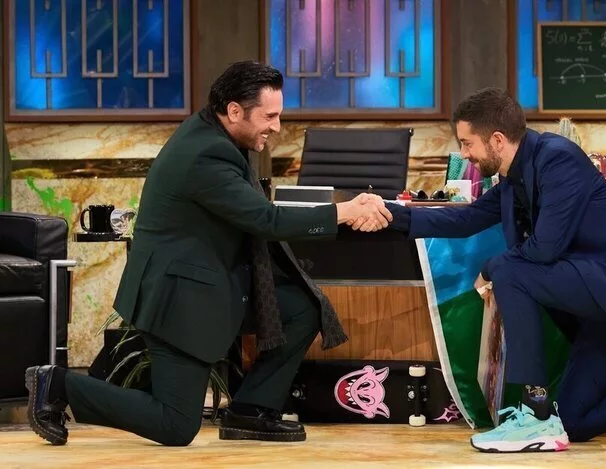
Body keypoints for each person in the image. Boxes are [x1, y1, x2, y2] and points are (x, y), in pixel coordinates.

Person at [25, 61, 392, 447]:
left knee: (301, 307)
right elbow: (264, 219)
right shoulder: (206, 154)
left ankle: (250, 411)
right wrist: (344, 211)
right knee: (176, 425)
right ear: (234, 111)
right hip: (179, 298)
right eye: (269, 116)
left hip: (213, 282)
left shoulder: (215, 136)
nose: (277, 127)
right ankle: (57, 385)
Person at [381, 87, 606, 453]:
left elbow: (545, 247)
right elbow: (465, 219)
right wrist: (388, 214)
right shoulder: (513, 178)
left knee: (509, 270)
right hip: (601, 300)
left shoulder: (557, 158)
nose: (464, 154)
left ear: (497, 140)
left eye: (467, 143)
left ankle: (535, 412)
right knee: (573, 421)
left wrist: (490, 268)